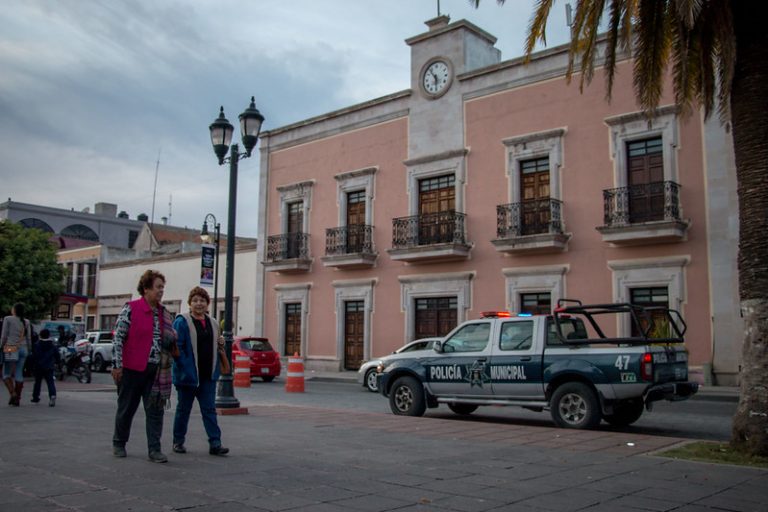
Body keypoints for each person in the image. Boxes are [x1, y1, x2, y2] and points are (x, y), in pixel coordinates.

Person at [111, 270, 177, 463]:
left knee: (155, 411)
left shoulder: (163, 313)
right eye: (158, 287)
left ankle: (154, 449)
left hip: (156, 371)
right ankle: (119, 442)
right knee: (126, 408)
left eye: (162, 287)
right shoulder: (131, 309)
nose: (161, 291)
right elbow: (118, 339)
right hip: (132, 369)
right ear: (146, 289)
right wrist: (117, 365)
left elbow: (170, 337)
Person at [171, 286, 229, 456]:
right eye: (195, 300)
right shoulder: (181, 321)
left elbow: (217, 346)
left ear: (207, 303)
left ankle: (215, 443)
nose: (199, 303)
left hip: (207, 376)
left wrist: (221, 345)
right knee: (183, 410)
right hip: (188, 376)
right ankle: (178, 441)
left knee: (209, 410)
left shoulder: (213, 323)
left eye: (202, 300)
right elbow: (177, 347)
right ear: (190, 303)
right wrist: (184, 366)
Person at [1, 303, 31, 406]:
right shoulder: (26, 321)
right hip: (24, 349)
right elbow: (29, 338)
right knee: (19, 373)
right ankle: (17, 398)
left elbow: (4, 335)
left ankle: (13, 394)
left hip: (10, 348)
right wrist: (29, 349)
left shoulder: (8, 319)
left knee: (6, 374)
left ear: (14, 310)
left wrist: (1, 346)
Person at [30, 329, 60, 406]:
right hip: (49, 366)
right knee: (50, 382)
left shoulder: (37, 345)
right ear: (49, 335)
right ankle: (52, 396)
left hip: (39, 366)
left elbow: (34, 356)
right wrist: (57, 363)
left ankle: (35, 397)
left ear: (40, 335)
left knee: (37, 382)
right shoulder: (52, 345)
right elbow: (57, 356)